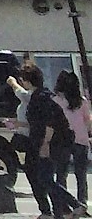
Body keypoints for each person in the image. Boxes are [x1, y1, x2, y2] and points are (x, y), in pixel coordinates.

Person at [26, 66, 83, 219]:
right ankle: (63, 212)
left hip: (51, 143)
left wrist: (45, 144)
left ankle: (74, 205)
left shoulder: (41, 97)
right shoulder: (43, 96)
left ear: (27, 81)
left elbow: (49, 122)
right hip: (55, 142)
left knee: (45, 178)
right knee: (48, 179)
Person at [59, 70, 90, 207]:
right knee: (81, 175)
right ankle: (82, 203)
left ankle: (64, 204)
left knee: (61, 173)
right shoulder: (82, 101)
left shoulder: (57, 100)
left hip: (63, 140)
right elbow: (88, 122)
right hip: (81, 140)